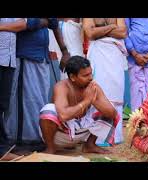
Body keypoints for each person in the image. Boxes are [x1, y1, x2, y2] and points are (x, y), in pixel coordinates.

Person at [0, 18, 70, 147]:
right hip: (24, 57)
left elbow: (53, 24)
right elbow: (26, 23)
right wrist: (39, 22)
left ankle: (39, 137)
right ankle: (21, 141)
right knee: (25, 103)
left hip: (42, 59)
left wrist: (65, 51)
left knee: (39, 101)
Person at [39, 56, 119, 154]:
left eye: (91, 73)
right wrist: (86, 101)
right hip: (60, 135)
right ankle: (50, 148)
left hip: (80, 133)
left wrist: (94, 101)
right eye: (85, 75)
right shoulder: (61, 87)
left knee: (109, 107)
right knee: (48, 110)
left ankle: (90, 145)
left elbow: (113, 114)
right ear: (72, 77)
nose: (90, 78)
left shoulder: (92, 87)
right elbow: (63, 116)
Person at [83, 18, 127, 144]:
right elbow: (90, 34)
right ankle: (97, 138)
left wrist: (99, 30)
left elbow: (123, 32)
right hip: (98, 55)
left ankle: (115, 137)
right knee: (98, 92)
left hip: (115, 56)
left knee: (115, 93)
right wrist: (112, 27)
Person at [0, 18, 22, 143]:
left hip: (9, 60)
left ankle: (3, 146)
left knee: (3, 104)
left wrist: (2, 27)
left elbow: (22, 25)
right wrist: (11, 26)